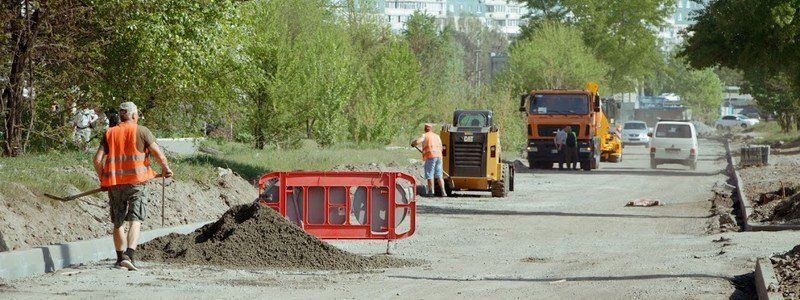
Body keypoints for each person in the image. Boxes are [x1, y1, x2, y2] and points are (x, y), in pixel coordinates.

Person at [93, 102, 172, 271]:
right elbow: (158, 153)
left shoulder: (109, 132)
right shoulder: (142, 131)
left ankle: (120, 259)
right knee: (135, 220)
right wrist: (165, 168)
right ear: (134, 115)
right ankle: (129, 255)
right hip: (137, 183)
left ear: (121, 116)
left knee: (118, 222)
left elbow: (97, 160)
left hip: (115, 184)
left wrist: (103, 180)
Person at [411, 123, 446, 197]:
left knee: (430, 174)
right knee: (439, 175)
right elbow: (441, 147)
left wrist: (413, 143)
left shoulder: (425, 135)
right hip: (439, 156)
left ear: (425, 129)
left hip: (430, 156)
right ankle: (443, 192)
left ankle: (431, 192)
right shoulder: (437, 136)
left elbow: (417, 141)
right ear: (431, 129)